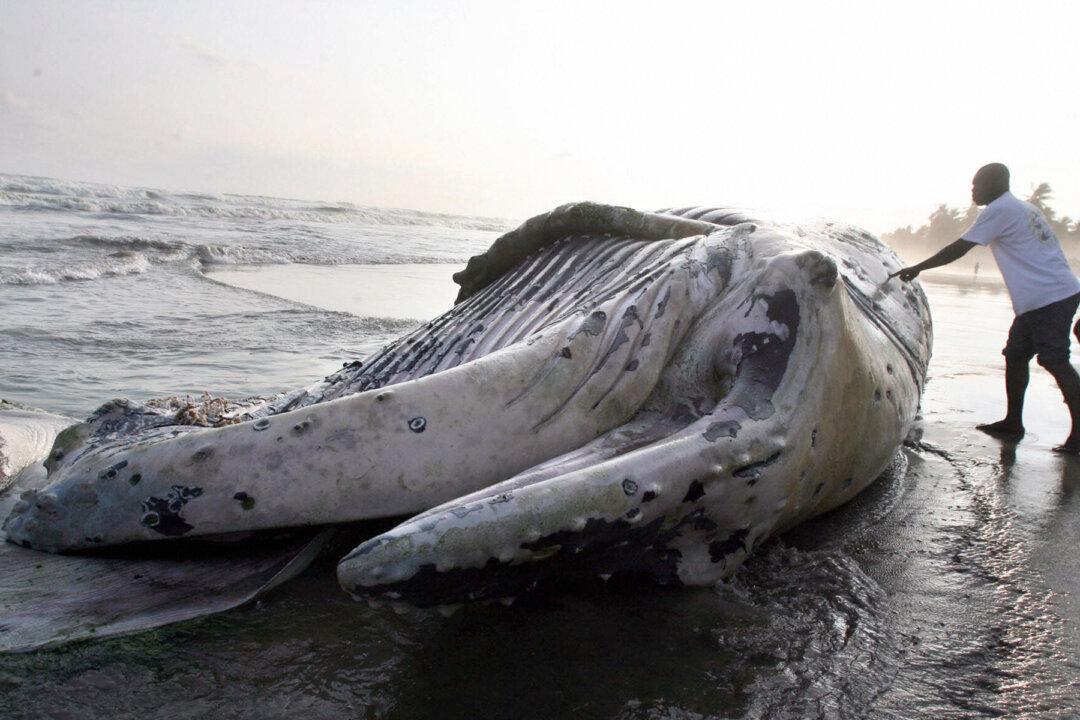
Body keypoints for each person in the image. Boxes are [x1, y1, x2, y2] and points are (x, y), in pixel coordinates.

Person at [890, 163, 1080, 454]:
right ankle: (1013, 422)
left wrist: (918, 268)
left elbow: (959, 248)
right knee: (1016, 355)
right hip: (1048, 295)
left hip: (1048, 297)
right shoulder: (1023, 208)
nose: (973, 190)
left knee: (1055, 360)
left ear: (995, 184)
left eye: (977, 184)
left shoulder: (999, 210)